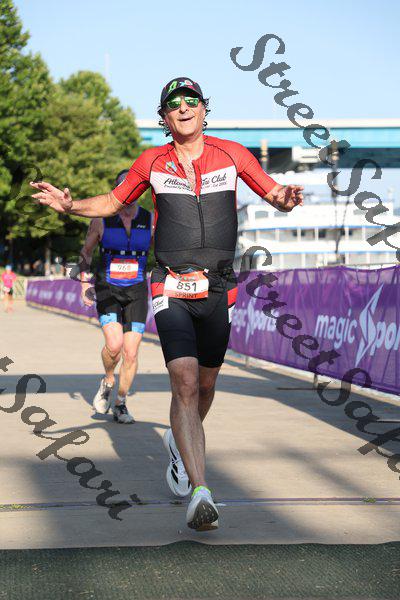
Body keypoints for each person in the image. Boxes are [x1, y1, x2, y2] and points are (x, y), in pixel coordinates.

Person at [30, 76, 303, 531]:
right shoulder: (151, 161)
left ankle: (179, 442)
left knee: (206, 386)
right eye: (174, 104)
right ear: (164, 117)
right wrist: (70, 205)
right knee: (185, 383)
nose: (184, 108)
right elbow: (112, 201)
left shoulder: (233, 154)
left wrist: (286, 199)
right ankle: (200, 491)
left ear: (204, 109)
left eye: (191, 100)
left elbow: (273, 193)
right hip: (169, 284)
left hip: (220, 287)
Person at [80, 169, 152, 424]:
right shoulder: (101, 220)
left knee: (130, 353)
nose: (130, 192)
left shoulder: (150, 219)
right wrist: (84, 283)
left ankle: (120, 403)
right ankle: (108, 380)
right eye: (124, 187)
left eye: (134, 187)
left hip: (137, 290)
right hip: (107, 288)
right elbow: (86, 252)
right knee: (114, 346)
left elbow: (165, 252)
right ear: (117, 190)